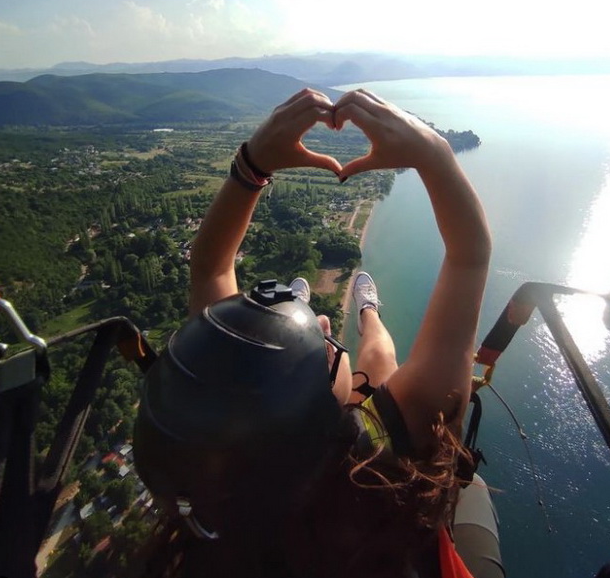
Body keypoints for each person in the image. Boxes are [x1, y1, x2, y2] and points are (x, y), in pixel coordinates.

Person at [133, 88, 496, 578]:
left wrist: (251, 166)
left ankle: (355, 313)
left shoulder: (218, 502)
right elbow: (469, 255)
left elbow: (209, 267)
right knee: (382, 369)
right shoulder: (398, 464)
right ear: (322, 422)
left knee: (376, 383)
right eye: (324, 345)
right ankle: (370, 311)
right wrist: (436, 153)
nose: (324, 322)